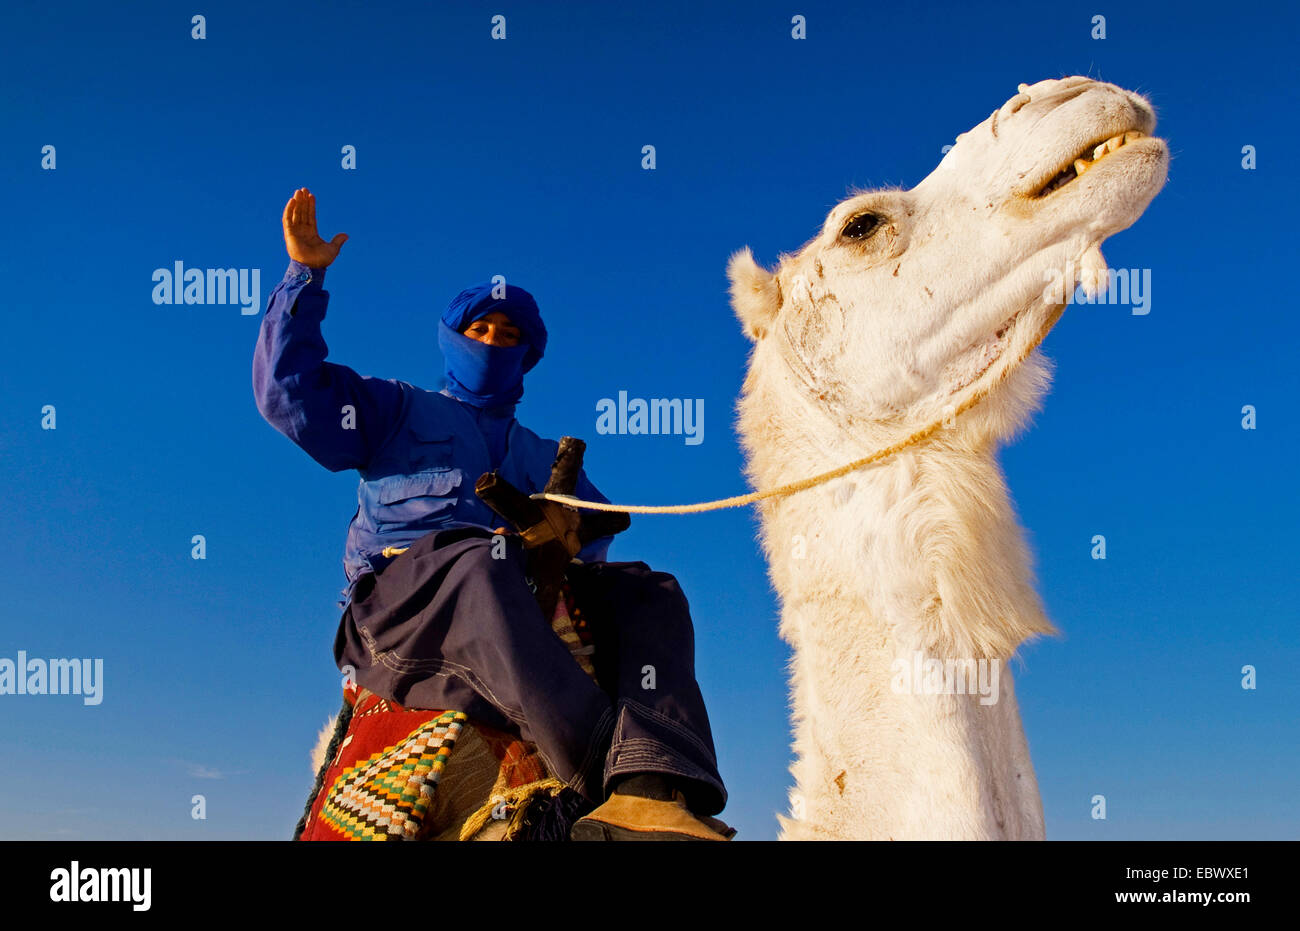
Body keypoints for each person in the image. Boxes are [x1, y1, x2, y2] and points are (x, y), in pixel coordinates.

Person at [253, 188, 733, 840]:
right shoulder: (395, 409)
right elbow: (290, 398)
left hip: (518, 601)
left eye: (509, 335)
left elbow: (597, 539)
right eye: (480, 329)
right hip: (399, 613)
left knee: (651, 590)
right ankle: (593, 772)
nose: (493, 340)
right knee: (484, 559)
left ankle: (653, 783)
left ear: (527, 357)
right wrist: (303, 276)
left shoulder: (541, 454)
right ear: (452, 338)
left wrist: (566, 543)